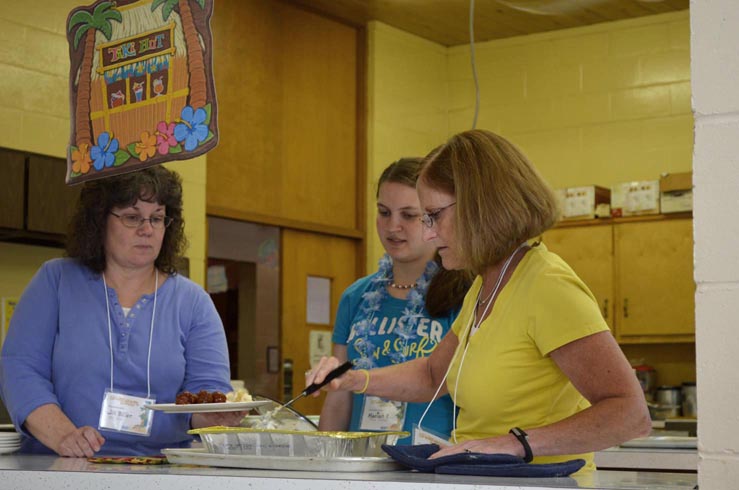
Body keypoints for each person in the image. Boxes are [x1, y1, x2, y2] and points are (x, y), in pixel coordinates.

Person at [308, 130, 651, 469]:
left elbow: (630, 413)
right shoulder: (487, 283)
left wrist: (513, 444)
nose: (428, 233)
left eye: (434, 216)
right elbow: (431, 376)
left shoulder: (547, 285)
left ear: (479, 207)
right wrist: (354, 379)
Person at [0, 166, 243, 457]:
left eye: (157, 218)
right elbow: (20, 370)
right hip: (59, 465)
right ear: (99, 220)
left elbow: (206, 395)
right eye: (132, 217)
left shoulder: (194, 303)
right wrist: (63, 435)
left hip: (162, 471)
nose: (147, 229)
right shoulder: (56, 281)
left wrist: (216, 417)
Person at [319, 158, 471, 445]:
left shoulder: (464, 294)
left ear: (432, 218)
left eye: (409, 215)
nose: (393, 227)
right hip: (363, 463)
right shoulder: (355, 297)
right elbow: (338, 396)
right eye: (384, 212)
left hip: (434, 464)